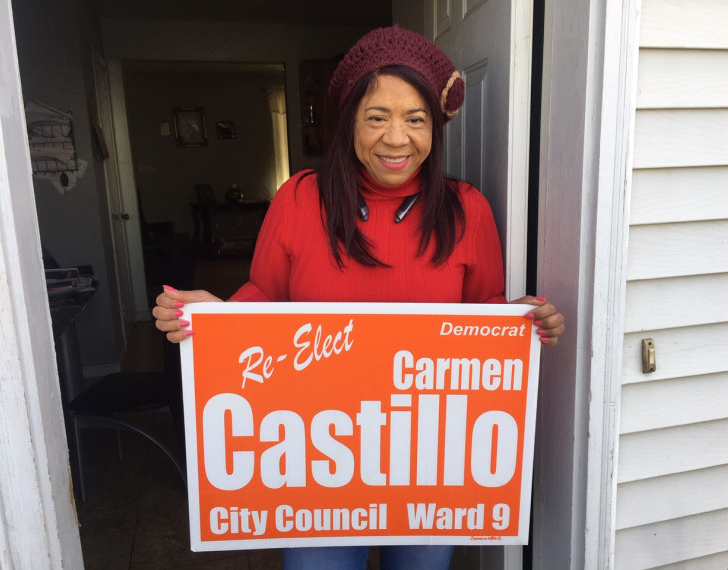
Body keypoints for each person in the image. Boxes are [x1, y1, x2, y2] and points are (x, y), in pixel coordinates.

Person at [153, 25, 565, 570]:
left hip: (425, 464)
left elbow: (481, 314)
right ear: (349, 122)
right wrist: (217, 320)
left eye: (415, 119)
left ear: (435, 128)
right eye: (377, 118)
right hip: (316, 459)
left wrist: (521, 322)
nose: (397, 139)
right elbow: (265, 296)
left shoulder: (468, 209)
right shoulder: (300, 198)